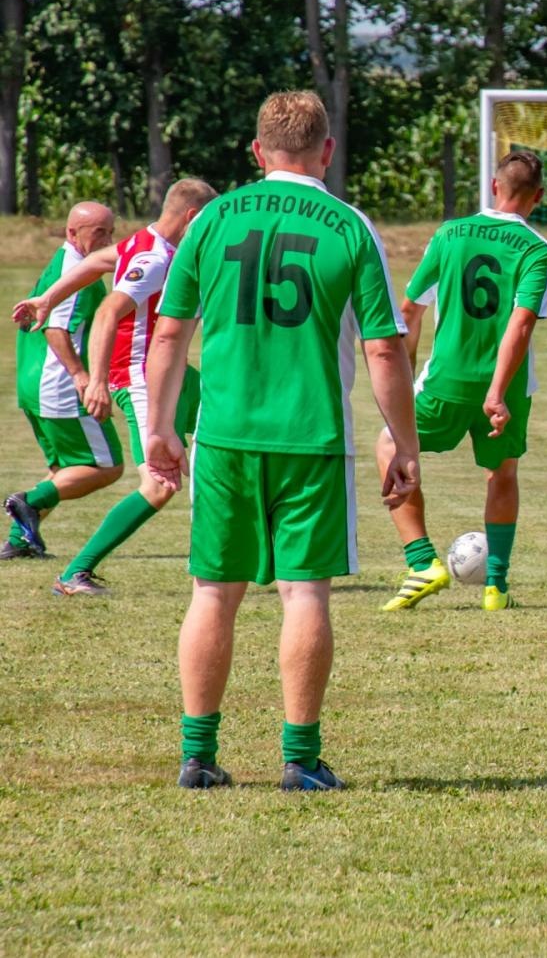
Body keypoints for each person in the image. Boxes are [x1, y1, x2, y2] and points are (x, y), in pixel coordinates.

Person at [142, 91, 421, 792]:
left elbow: (170, 331)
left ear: (258, 151)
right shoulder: (349, 225)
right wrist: (404, 442)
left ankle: (197, 756)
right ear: (326, 151)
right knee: (304, 595)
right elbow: (385, 349)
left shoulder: (211, 219)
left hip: (226, 436)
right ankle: (300, 759)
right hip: (313, 438)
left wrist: (160, 427)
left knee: (213, 592)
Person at [375, 150, 547, 613]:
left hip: (446, 380)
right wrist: (497, 391)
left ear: (494, 187)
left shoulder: (450, 234)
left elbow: (410, 309)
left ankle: (422, 562)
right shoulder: (538, 250)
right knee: (502, 473)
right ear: (537, 197)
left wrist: (404, 378)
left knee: (389, 446)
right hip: (509, 386)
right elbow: (520, 325)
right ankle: (495, 587)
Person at [43, 179, 217, 595]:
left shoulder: (151, 243)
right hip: (142, 377)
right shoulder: (155, 257)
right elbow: (107, 312)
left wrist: (47, 298)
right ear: (193, 217)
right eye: (208, 220)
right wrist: (98, 380)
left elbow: (97, 261)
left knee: (232, 434)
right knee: (158, 485)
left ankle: (230, 553)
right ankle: (75, 573)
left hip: (174, 371)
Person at [5, 202, 124, 558]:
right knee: (106, 466)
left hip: (33, 384)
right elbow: (57, 327)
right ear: (72, 232)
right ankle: (27, 501)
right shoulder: (77, 270)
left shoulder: (63, 264)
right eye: (98, 231)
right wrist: (82, 376)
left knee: (63, 468)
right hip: (58, 385)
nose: (107, 239)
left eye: (110, 231)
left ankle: (19, 540)